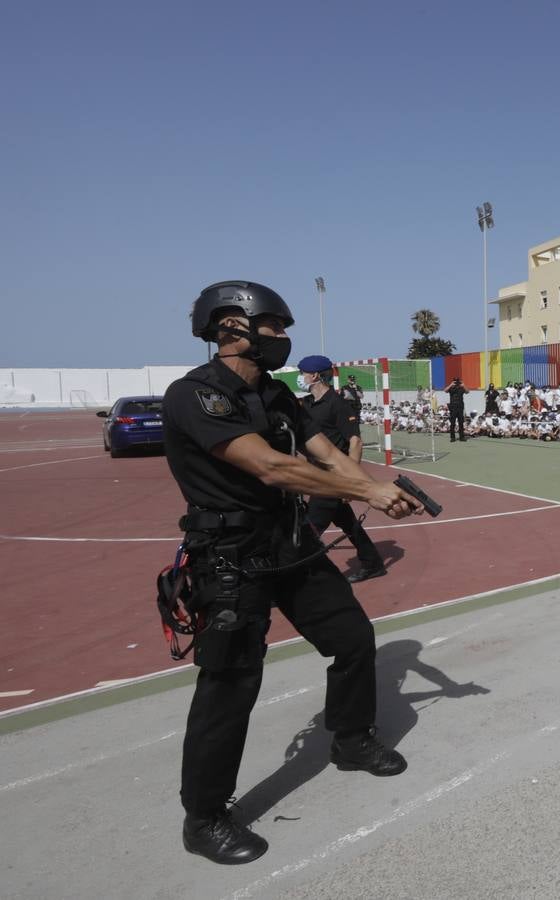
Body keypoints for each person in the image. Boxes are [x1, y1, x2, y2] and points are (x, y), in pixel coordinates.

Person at [163, 282, 421, 864]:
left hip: (289, 543)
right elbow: (272, 467)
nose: (284, 339)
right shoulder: (196, 396)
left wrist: (368, 485)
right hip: (229, 556)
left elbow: (322, 452)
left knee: (353, 639)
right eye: (275, 328)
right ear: (232, 327)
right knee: (231, 685)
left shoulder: (279, 396)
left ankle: (351, 740)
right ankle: (203, 817)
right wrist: (369, 493)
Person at [296, 355, 387, 583]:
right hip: (316, 475)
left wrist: (351, 481)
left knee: (308, 531)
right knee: (348, 522)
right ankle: (372, 562)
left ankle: (293, 580)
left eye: (303, 372)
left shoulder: (338, 404)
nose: (300, 377)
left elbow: (355, 442)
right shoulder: (306, 404)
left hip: (332, 479)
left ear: (314, 375)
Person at [443, 377, 467, 441]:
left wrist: (464, 385)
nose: (456, 383)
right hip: (453, 407)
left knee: (461, 423)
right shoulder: (451, 388)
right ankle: (452, 437)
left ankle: (462, 437)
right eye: (455, 381)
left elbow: (467, 392)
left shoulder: (461, 387)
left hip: (460, 407)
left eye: (457, 381)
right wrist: (451, 385)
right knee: (452, 423)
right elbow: (445, 390)